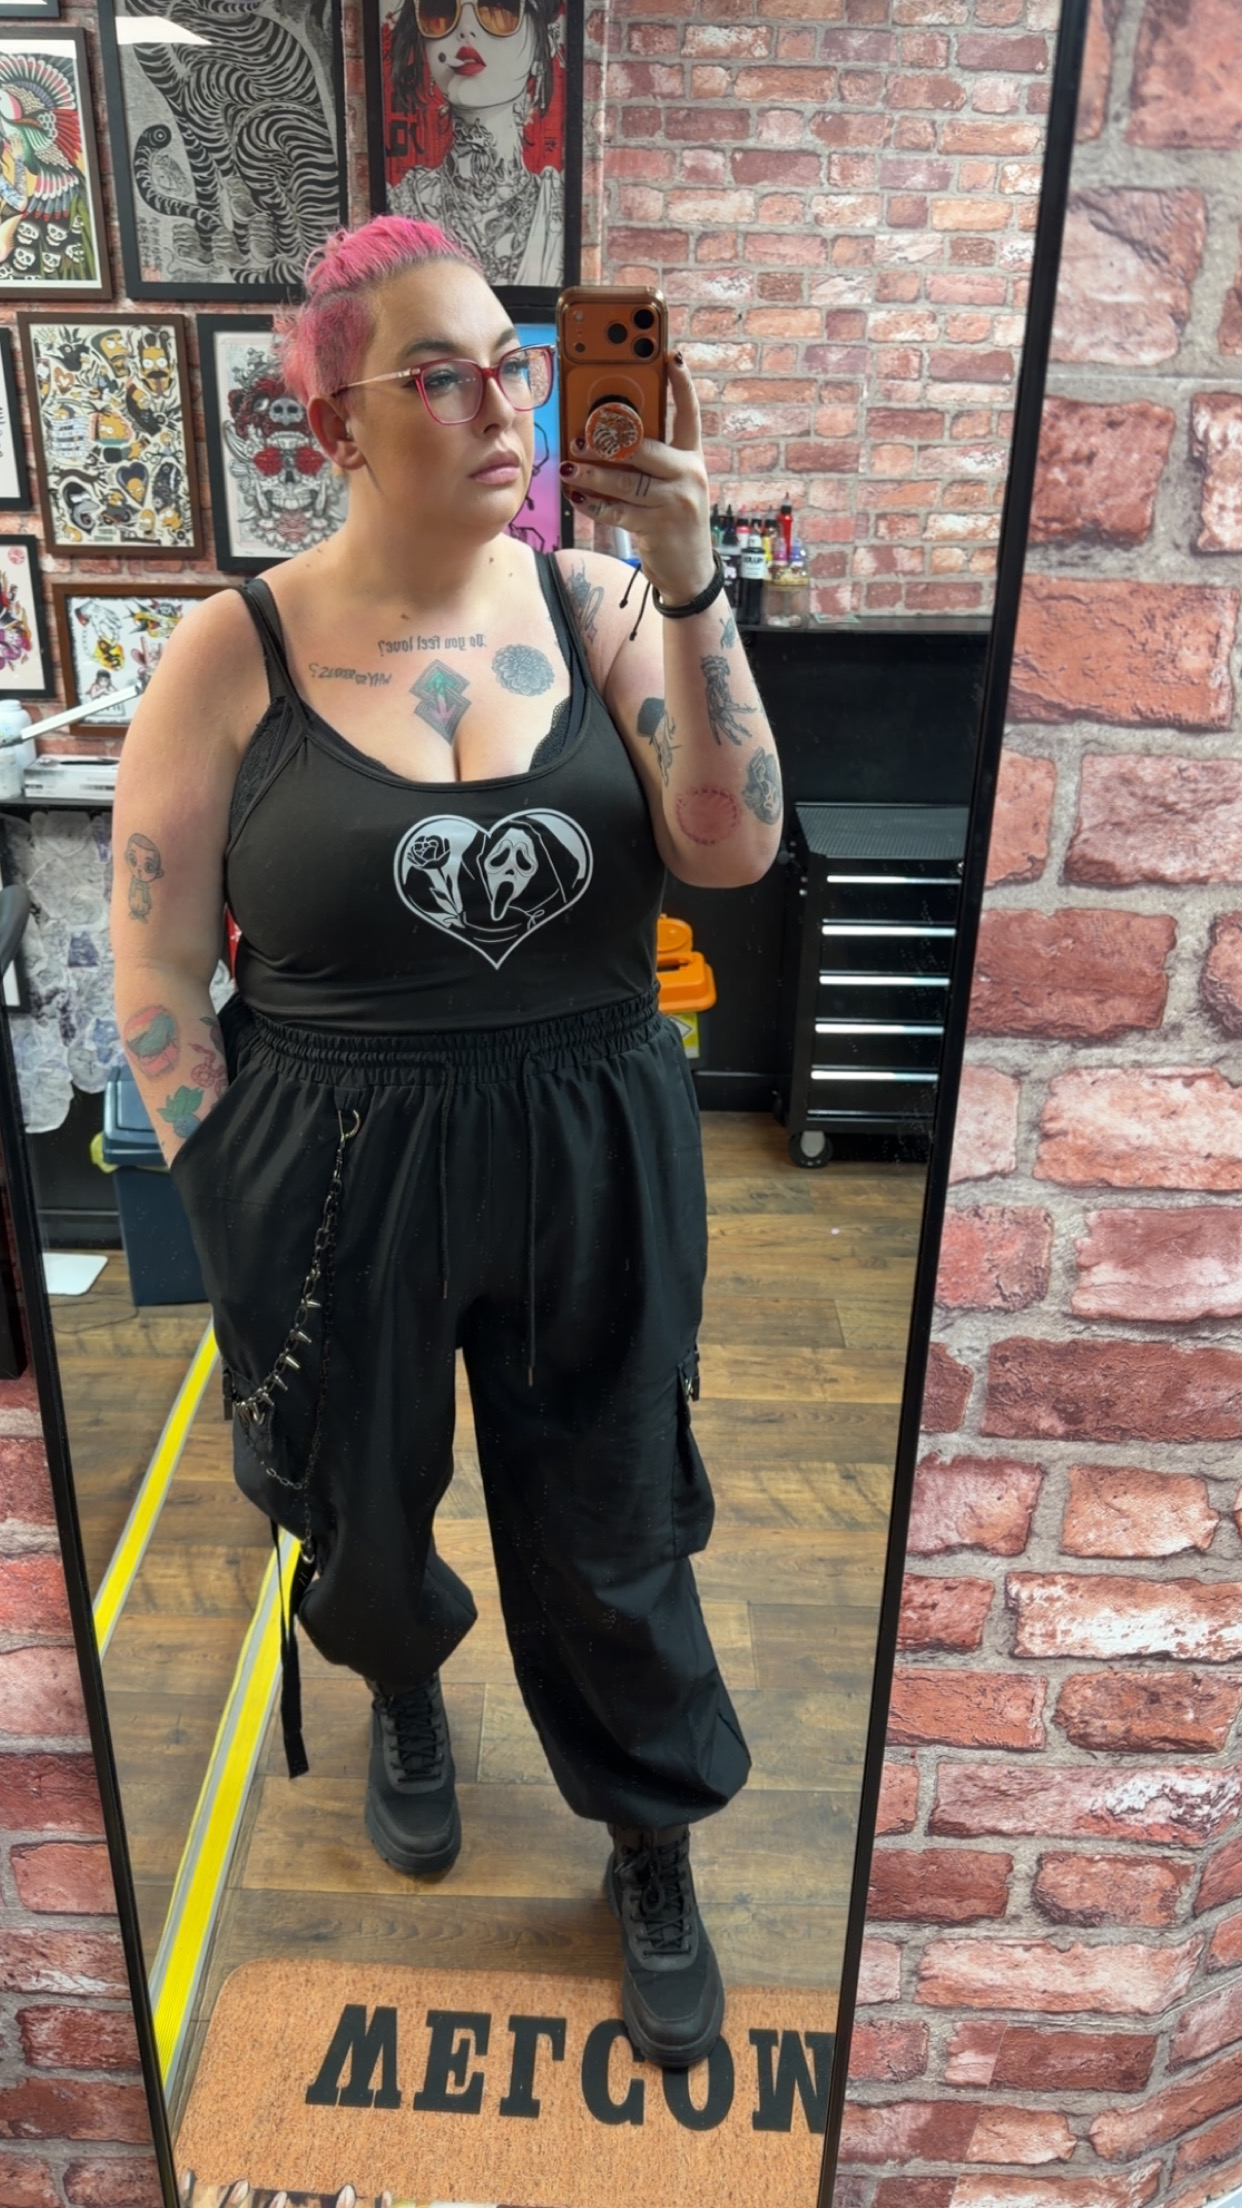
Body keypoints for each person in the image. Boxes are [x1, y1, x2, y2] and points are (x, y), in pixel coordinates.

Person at [109, 215, 784, 2072]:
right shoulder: (230, 649)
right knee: (359, 1495)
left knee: (614, 1520)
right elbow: (154, 958)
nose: (503, 406)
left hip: (592, 1142)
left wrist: (695, 590)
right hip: (331, 1159)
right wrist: (225, 1188)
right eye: (441, 375)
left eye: (515, 364)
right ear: (334, 421)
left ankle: (647, 1834)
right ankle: (401, 1679)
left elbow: (730, 852)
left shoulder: (604, 607)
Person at [387, 0, 563, 286]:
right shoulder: (403, 207)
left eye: (499, 8)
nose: (465, 29)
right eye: (440, 11)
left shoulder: (558, 211)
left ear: (543, 47)